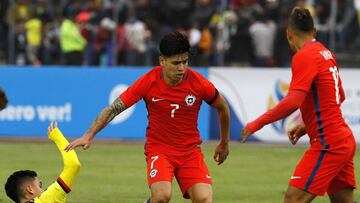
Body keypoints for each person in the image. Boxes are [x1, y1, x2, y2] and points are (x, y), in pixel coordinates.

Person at [65, 31, 230, 203]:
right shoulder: (148, 81)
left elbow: (223, 108)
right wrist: (88, 135)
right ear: (162, 61)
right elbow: (114, 109)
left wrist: (224, 142)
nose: (181, 68)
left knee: (204, 199)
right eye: (175, 63)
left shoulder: (199, 83)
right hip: (159, 149)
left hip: (190, 151)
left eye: (185, 62)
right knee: (161, 196)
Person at [241, 7, 356, 203]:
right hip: (342, 139)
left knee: (292, 200)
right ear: (314, 31)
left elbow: (293, 102)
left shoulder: (304, 56)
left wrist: (257, 123)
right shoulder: (326, 53)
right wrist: (306, 125)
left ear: (289, 34)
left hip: (329, 144)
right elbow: (339, 96)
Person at [5, 122, 81, 203]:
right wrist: (57, 137)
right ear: (30, 189)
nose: (43, 190)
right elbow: (73, 165)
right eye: (39, 185)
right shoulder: (47, 198)